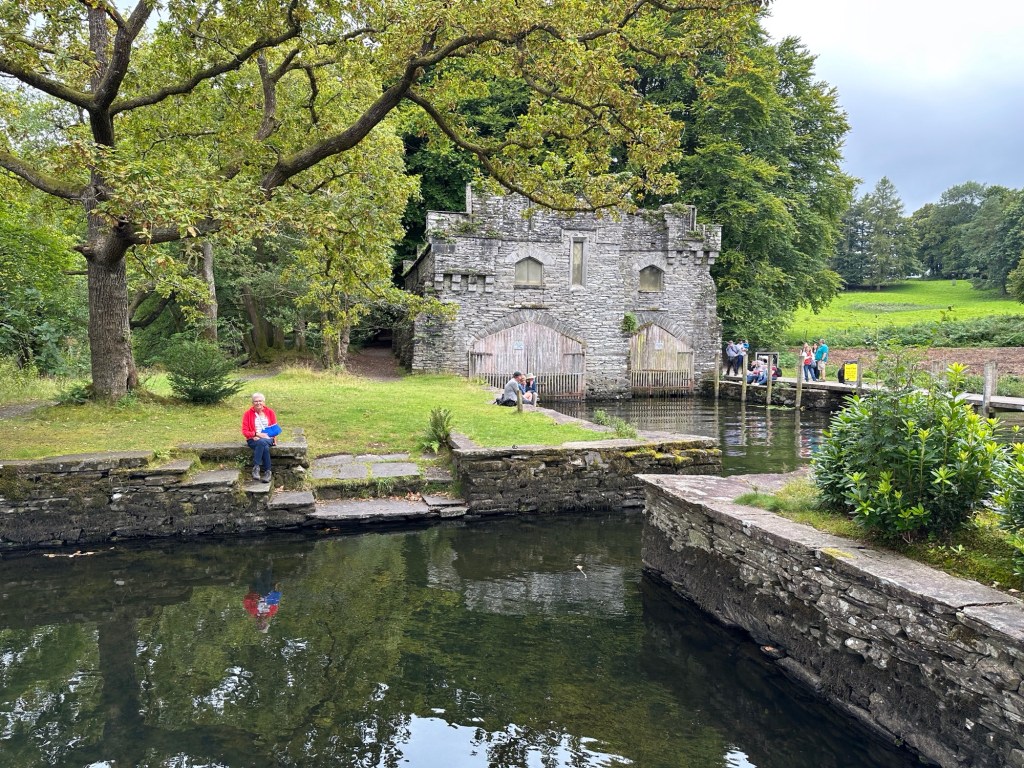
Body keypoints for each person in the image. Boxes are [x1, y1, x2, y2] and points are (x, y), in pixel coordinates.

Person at [242, 392, 278, 482]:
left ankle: (256, 467)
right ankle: (268, 472)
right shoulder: (248, 414)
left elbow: (275, 430)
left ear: (264, 402)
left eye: (260, 401)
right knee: (264, 446)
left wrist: (267, 437)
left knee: (262, 442)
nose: (258, 403)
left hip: (268, 439)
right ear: (252, 403)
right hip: (253, 439)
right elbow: (245, 431)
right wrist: (255, 434)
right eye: (255, 401)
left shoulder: (270, 413)